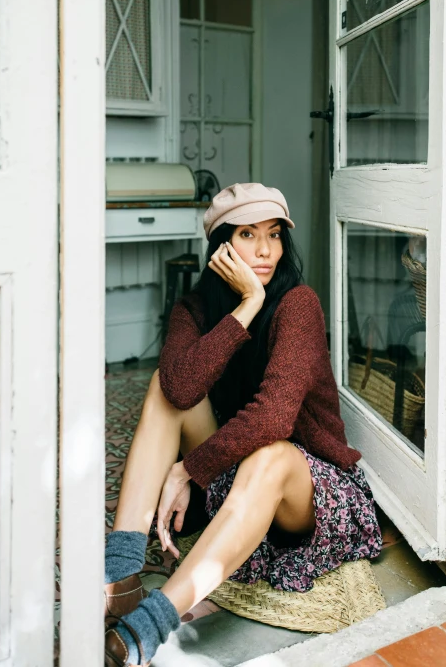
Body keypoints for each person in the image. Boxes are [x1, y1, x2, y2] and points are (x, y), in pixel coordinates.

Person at [104, 183, 381, 667]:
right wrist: (245, 308)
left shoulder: (299, 304)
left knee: (270, 454)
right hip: (239, 467)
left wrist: (189, 467)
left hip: (305, 484)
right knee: (162, 387)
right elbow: (180, 390)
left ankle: (151, 623)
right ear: (221, 247)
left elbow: (275, 419)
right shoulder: (194, 308)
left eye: (273, 235)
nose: (265, 250)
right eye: (248, 234)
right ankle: (119, 579)